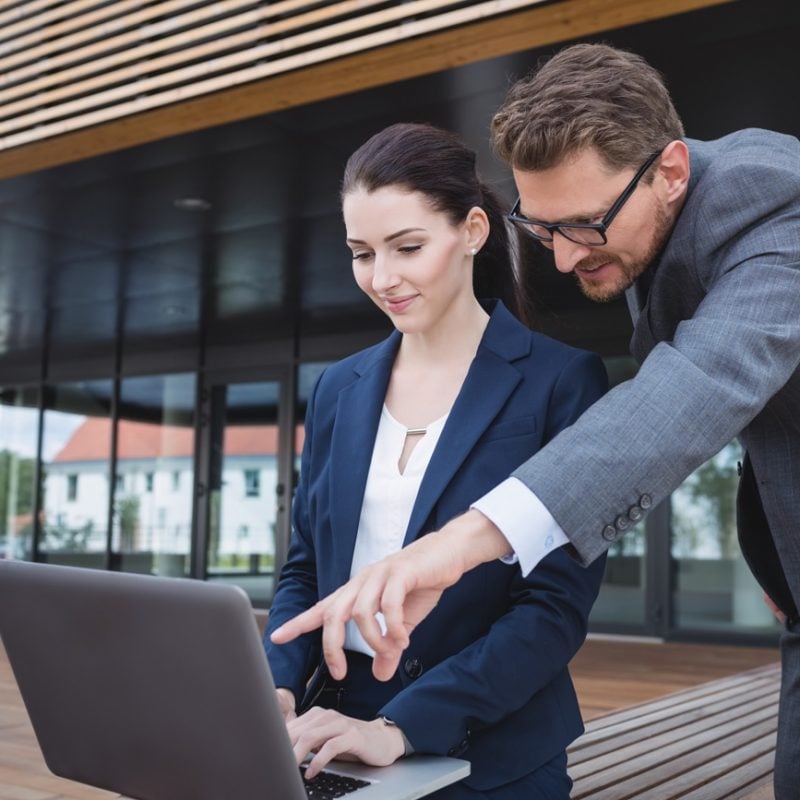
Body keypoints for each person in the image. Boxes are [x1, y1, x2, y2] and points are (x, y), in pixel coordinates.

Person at [271, 44, 800, 799]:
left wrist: (452, 547)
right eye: (544, 227)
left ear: (672, 171)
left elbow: (697, 389)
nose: (559, 259)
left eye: (582, 225)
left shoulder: (779, 206)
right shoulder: (641, 222)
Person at [264, 121, 608, 798]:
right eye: (361, 253)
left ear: (473, 231)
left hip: (492, 744)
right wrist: (275, 690)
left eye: (408, 247)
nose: (382, 277)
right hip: (333, 727)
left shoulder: (559, 381)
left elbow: (553, 608)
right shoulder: (339, 389)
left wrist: (400, 728)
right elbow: (306, 569)